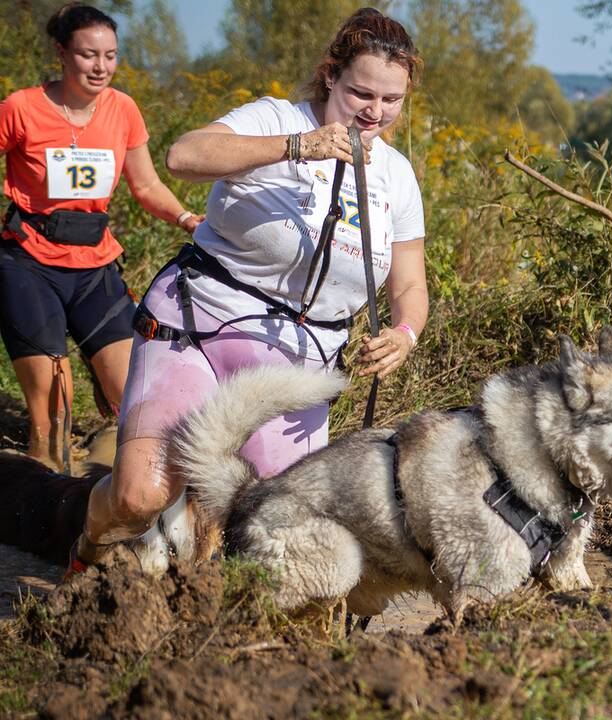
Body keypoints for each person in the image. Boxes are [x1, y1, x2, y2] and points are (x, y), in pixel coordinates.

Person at [69, 7, 429, 574]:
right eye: (362, 93)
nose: (375, 112)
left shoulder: (397, 175)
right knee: (140, 495)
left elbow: (409, 282)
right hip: (199, 324)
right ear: (331, 74)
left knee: (277, 525)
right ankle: (88, 547)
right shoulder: (274, 118)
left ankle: (212, 614)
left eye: (392, 101)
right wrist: (296, 147)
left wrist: (405, 334)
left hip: (298, 364)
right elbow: (183, 156)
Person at [0, 2, 202, 470]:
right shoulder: (21, 108)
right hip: (29, 261)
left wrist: (188, 218)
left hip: (94, 264)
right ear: (62, 53)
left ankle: (108, 482)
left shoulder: (122, 109)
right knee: (55, 412)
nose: (101, 66)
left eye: (110, 55)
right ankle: (42, 490)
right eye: (89, 55)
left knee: (134, 395)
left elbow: (147, 185)